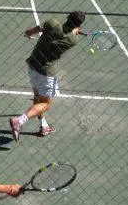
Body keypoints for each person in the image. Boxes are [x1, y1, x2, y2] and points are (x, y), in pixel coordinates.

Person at [9, 11, 86, 141]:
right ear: (79, 25)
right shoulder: (73, 40)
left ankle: (43, 126)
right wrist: (76, 31)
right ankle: (19, 121)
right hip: (46, 73)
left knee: (37, 98)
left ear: (67, 17)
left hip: (32, 65)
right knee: (45, 104)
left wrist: (28, 33)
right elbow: (70, 36)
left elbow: (36, 29)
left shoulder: (53, 23)